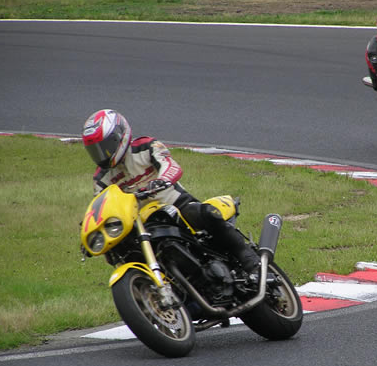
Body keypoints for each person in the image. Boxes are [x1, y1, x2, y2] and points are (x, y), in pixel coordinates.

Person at [81, 109, 260, 272]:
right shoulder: (101, 178)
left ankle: (251, 261)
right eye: (95, 150)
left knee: (207, 214)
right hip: (140, 223)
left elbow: (170, 165)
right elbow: (101, 206)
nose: (101, 154)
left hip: (175, 203)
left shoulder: (146, 146)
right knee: (118, 252)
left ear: (120, 136)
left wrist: (162, 180)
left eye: (105, 147)